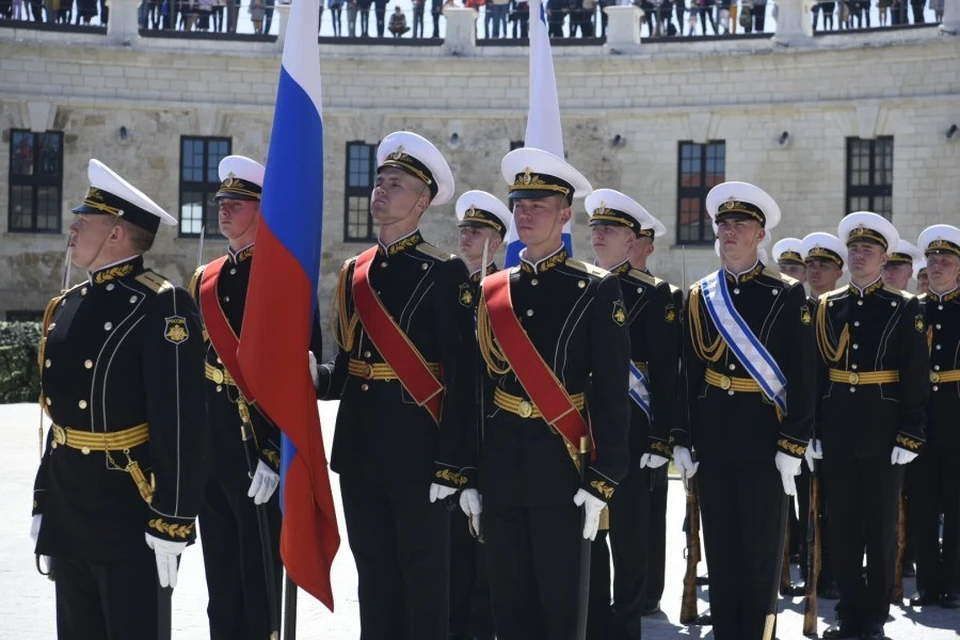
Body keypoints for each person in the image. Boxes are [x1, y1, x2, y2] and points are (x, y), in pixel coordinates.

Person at [30, 159, 206, 639]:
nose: (71, 230)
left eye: (82, 221)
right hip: (70, 511)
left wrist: (173, 519)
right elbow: (60, 421)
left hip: (127, 514)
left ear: (115, 233)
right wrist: (43, 499)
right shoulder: (67, 305)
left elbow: (182, 422)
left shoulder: (162, 305)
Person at [460, 148, 631, 640]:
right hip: (502, 463)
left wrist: (604, 477)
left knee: (560, 608)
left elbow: (611, 392)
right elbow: (477, 390)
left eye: (539, 203)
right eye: (519, 203)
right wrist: (467, 470)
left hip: (563, 466)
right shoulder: (494, 290)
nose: (526, 213)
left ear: (564, 213)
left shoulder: (595, 289)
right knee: (509, 606)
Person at [313, 131, 475, 639]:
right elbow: (346, 369)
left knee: (424, 580)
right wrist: (309, 376)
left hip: (419, 449)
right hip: (360, 449)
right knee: (374, 578)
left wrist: (452, 465)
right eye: (379, 181)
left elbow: (464, 376)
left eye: (396, 184)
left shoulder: (445, 272)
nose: (380, 190)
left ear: (422, 202)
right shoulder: (351, 273)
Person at [672, 181, 816, 640]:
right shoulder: (700, 294)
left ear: (760, 235)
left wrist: (793, 442)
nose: (729, 232)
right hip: (714, 436)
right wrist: (681, 437)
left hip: (764, 437)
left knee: (760, 552)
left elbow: (804, 374)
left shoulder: (788, 294)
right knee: (720, 546)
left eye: (741, 224)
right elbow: (689, 374)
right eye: (723, 224)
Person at [189, 156, 322, 640]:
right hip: (215, 443)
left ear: (263, 211)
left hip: (256, 445)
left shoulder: (283, 278)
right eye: (222, 201)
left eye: (238, 202)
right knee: (220, 574)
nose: (225, 209)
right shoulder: (205, 277)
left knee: (258, 574)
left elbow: (294, 376)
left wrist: (273, 450)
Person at [810, 212, 929, 640]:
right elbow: (816, 373)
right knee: (839, 522)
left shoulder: (903, 306)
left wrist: (911, 430)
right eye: (855, 249)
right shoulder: (828, 305)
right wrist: (813, 431)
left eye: (870, 251)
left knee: (880, 526)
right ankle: (849, 610)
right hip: (837, 428)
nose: (860, 256)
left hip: (884, 431)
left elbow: (916, 372)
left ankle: (875, 615)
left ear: (883, 259)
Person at [585, 189, 678, 640]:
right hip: (583, 430)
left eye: (611, 230)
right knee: (589, 531)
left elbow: (664, 373)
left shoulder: (653, 295)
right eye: (596, 228)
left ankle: (625, 624)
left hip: (634, 431)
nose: (599, 236)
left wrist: (662, 439)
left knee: (628, 532)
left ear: (632, 240)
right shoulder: (579, 283)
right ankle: (593, 618)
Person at [448, 190, 512, 640]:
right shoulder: (444, 288)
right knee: (450, 549)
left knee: (488, 549)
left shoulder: (506, 292)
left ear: (499, 242)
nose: (468, 236)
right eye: (464, 229)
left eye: (479, 230)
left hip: (493, 431)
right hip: (445, 430)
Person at [906, 224, 960, 610]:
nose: (938, 267)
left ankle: (954, 583)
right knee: (921, 506)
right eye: (933, 261)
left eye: (946, 261)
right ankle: (926, 582)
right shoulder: (912, 310)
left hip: (956, 418)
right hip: (920, 420)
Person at [798, 231, 848, 600]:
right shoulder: (795, 308)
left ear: (838, 272)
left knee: (832, 503)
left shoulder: (842, 311)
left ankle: (831, 571)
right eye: (810, 265)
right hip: (798, 422)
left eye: (824, 265)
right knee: (803, 500)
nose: (815, 270)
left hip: (834, 421)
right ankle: (807, 567)